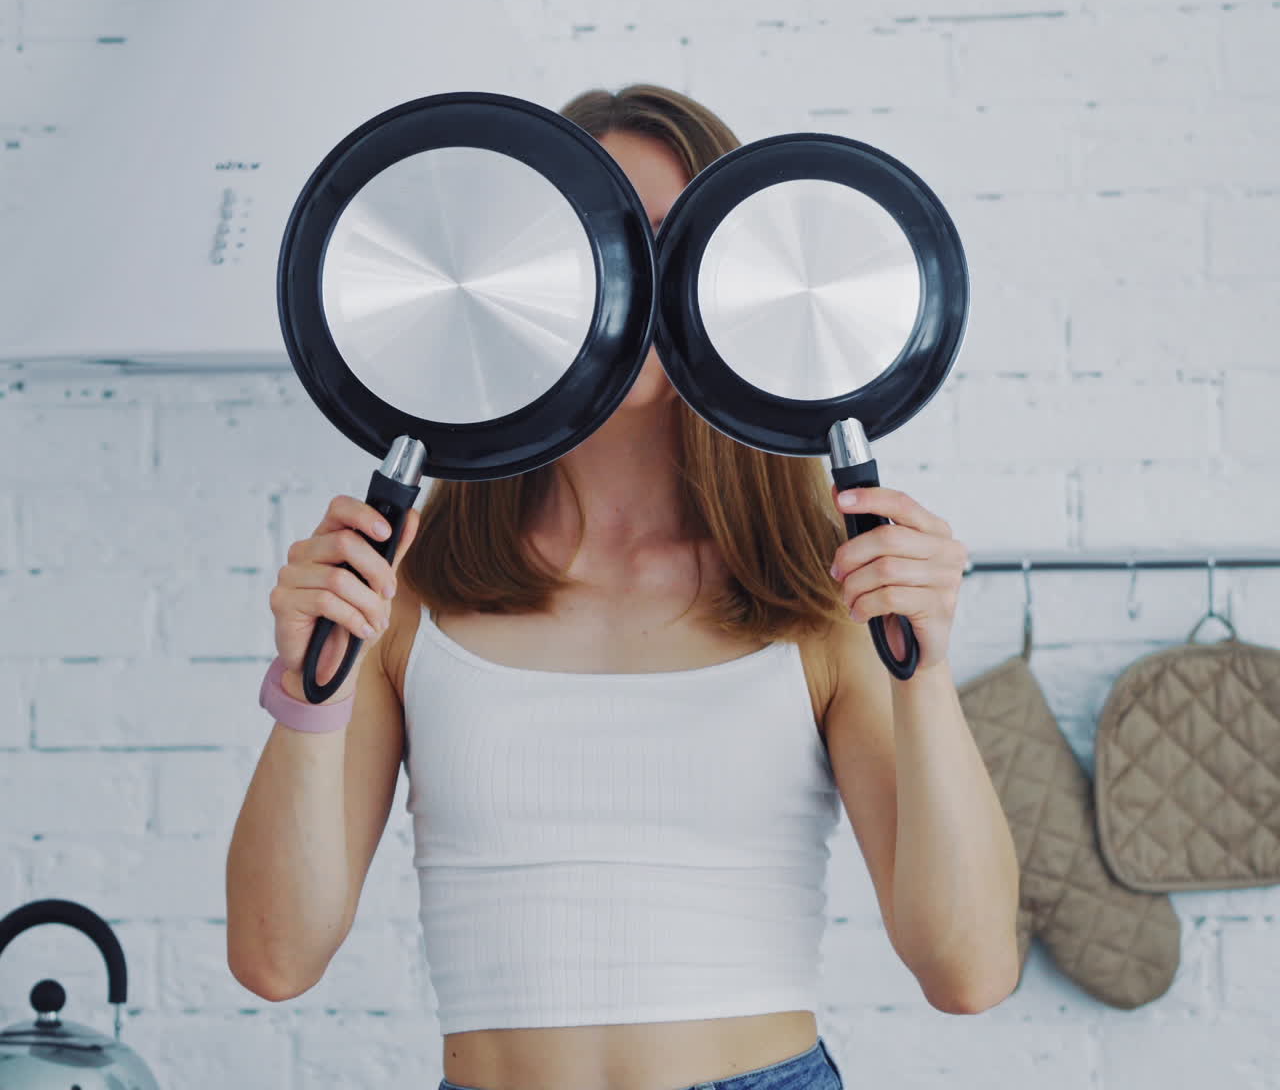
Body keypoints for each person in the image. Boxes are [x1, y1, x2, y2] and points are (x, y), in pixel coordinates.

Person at [226, 84, 1020, 1090]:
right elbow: (273, 956)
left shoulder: (822, 591)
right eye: (602, 244)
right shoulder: (401, 592)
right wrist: (307, 689)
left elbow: (968, 969)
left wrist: (926, 674)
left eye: (672, 244)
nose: (639, 287)